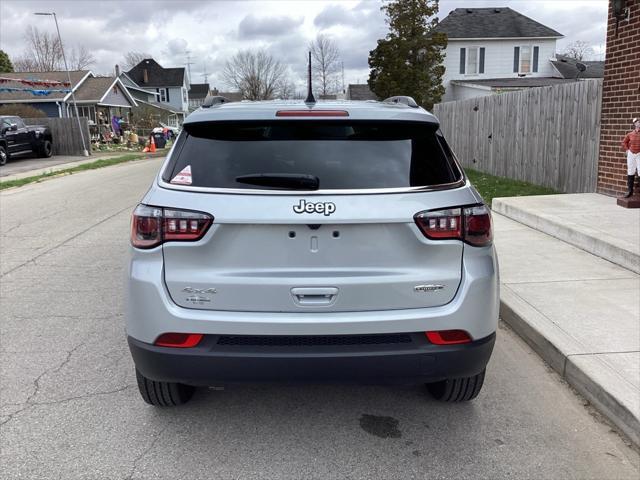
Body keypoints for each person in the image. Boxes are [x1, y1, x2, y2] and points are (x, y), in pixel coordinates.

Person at [622, 117, 640, 198]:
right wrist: (627, 150)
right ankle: (630, 191)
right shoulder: (630, 134)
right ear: (634, 124)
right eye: (637, 122)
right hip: (631, 154)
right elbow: (624, 142)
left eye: (639, 122)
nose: (638, 124)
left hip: (639, 154)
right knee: (630, 171)